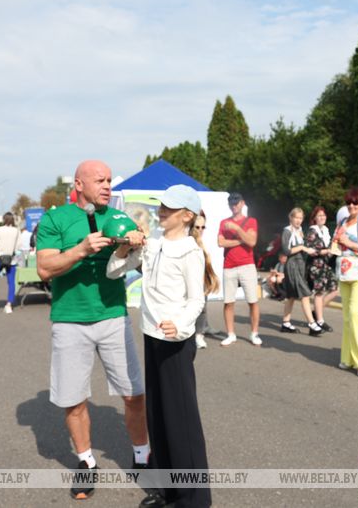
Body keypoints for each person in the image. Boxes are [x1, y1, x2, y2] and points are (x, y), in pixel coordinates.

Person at [35, 160, 151, 502]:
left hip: (113, 317)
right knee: (73, 400)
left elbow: (136, 260)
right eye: (100, 180)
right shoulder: (56, 219)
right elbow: (44, 268)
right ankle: (86, 462)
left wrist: (135, 242)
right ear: (79, 184)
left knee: (134, 394)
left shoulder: (119, 217)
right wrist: (81, 250)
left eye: (109, 180)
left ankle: (143, 457)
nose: (107, 186)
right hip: (69, 320)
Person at [107, 184, 215, 507]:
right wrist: (126, 247)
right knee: (158, 416)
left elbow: (196, 300)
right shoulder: (152, 245)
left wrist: (179, 324)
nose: (161, 210)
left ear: (187, 216)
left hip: (176, 342)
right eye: (161, 205)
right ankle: (168, 490)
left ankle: (194, 499)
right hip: (152, 337)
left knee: (181, 421)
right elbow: (113, 271)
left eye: (169, 207)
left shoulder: (191, 252)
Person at [217, 192, 262, 347]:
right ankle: (230, 334)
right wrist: (241, 240)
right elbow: (220, 243)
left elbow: (252, 242)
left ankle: (254, 333)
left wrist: (236, 228)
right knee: (228, 302)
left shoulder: (251, 221)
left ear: (242, 203)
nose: (234, 206)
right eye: (231, 203)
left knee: (252, 301)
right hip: (229, 266)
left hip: (247, 265)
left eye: (236, 203)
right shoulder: (224, 222)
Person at [336, 187, 358, 377]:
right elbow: (336, 243)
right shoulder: (343, 221)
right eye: (349, 202)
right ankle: (347, 358)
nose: (352, 206)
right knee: (347, 317)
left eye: (355, 202)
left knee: (356, 316)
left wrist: (348, 243)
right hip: (343, 271)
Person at [278, 208, 322, 336]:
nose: (298, 220)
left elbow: (301, 248)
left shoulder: (299, 231)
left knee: (291, 296)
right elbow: (286, 251)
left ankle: (286, 323)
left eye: (300, 218)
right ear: (290, 218)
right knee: (305, 294)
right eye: (296, 217)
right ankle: (312, 323)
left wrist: (309, 250)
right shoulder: (287, 231)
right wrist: (303, 248)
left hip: (300, 265)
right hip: (292, 265)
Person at [304, 206, 338, 332]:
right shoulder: (312, 231)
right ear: (314, 218)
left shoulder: (326, 230)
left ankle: (316, 312)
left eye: (323, 215)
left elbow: (331, 247)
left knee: (335, 290)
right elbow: (310, 249)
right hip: (316, 266)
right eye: (319, 216)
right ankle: (320, 320)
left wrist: (333, 250)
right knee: (319, 293)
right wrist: (326, 251)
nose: (322, 217)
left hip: (327, 265)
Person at [191, 212, 218, 349]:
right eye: (197, 227)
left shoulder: (202, 242)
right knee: (197, 308)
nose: (200, 230)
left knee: (203, 307)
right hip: (192, 280)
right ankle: (197, 334)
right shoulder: (189, 241)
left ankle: (201, 332)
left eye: (203, 227)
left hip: (202, 279)